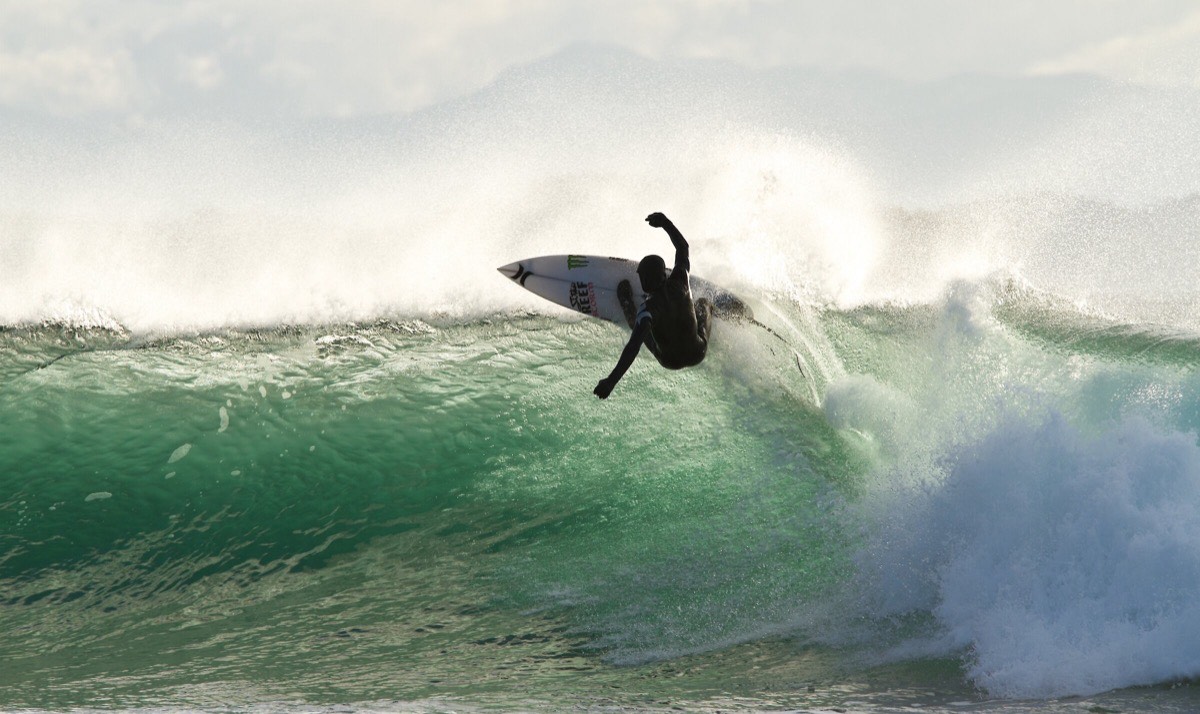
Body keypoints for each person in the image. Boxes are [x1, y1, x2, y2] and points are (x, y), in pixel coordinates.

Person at [593, 212, 712, 399]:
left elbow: (633, 346)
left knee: (635, 322)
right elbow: (683, 247)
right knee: (703, 303)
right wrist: (665, 223)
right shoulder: (681, 280)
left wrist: (611, 381)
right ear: (665, 274)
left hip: (670, 361)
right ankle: (712, 309)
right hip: (698, 351)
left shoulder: (647, 311)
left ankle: (624, 298)